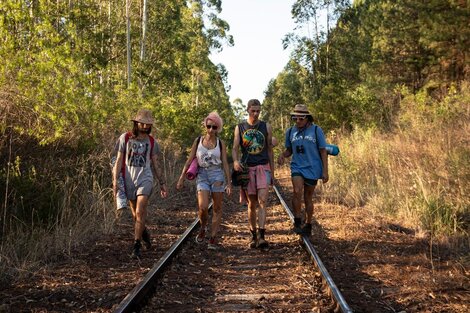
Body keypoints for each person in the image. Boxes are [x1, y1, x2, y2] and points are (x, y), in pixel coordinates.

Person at [113, 109, 168, 258]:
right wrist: (115, 182)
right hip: (129, 179)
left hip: (145, 178)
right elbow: (118, 161)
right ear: (136, 123)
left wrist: (162, 183)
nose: (145, 126)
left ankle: (136, 246)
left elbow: (156, 164)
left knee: (140, 211)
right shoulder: (125, 138)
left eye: (148, 124)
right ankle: (144, 234)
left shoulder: (152, 142)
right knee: (135, 215)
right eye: (142, 123)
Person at [176, 112, 232, 250]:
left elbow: (224, 162)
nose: (211, 130)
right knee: (203, 207)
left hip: (217, 174)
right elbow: (189, 160)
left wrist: (229, 182)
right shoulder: (198, 141)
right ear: (205, 126)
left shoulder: (220, 143)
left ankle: (212, 238)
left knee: (217, 208)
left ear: (217, 128)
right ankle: (203, 227)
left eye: (214, 127)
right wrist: (181, 177)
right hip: (202, 174)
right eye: (209, 126)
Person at [277, 104, 329, 235]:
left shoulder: (317, 130)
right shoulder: (290, 132)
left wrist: (325, 171)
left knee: (308, 197)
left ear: (308, 118)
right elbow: (289, 150)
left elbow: (323, 151)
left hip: (313, 168)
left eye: (301, 118)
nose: (298, 121)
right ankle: (297, 220)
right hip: (297, 166)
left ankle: (309, 224)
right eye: (295, 118)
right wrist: (283, 155)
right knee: (297, 191)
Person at [232, 99, 274, 249]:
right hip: (248, 169)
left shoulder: (266, 126)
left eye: (258, 111)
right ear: (248, 110)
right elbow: (235, 148)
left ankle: (262, 237)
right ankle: (253, 235)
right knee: (252, 204)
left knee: (263, 200)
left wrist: (272, 173)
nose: (255, 114)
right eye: (253, 110)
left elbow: (269, 150)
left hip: (263, 167)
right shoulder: (240, 127)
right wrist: (236, 161)